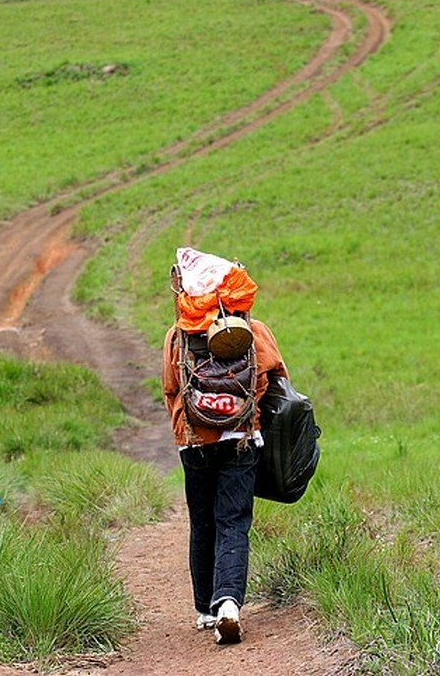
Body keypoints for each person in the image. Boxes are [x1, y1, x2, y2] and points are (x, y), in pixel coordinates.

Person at [161, 262, 287, 645]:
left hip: (194, 442)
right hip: (241, 439)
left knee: (202, 522)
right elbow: (278, 380)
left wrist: (190, 428)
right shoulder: (254, 330)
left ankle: (204, 609)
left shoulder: (177, 337)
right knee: (233, 521)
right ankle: (228, 604)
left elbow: (170, 390)